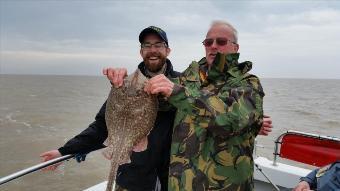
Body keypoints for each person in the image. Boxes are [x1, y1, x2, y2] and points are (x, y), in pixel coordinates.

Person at [40, 26, 181, 191]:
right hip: (133, 180)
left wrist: (175, 93)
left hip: (172, 180)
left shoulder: (184, 85)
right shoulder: (125, 85)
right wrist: (64, 151)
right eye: (147, 45)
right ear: (141, 52)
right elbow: (103, 126)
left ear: (168, 50)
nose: (152, 50)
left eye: (158, 45)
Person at [144, 20, 264, 190]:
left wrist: (177, 93)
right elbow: (158, 101)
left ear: (236, 48)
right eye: (208, 42)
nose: (213, 46)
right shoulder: (189, 77)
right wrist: (123, 81)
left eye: (221, 42)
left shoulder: (248, 84)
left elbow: (230, 120)